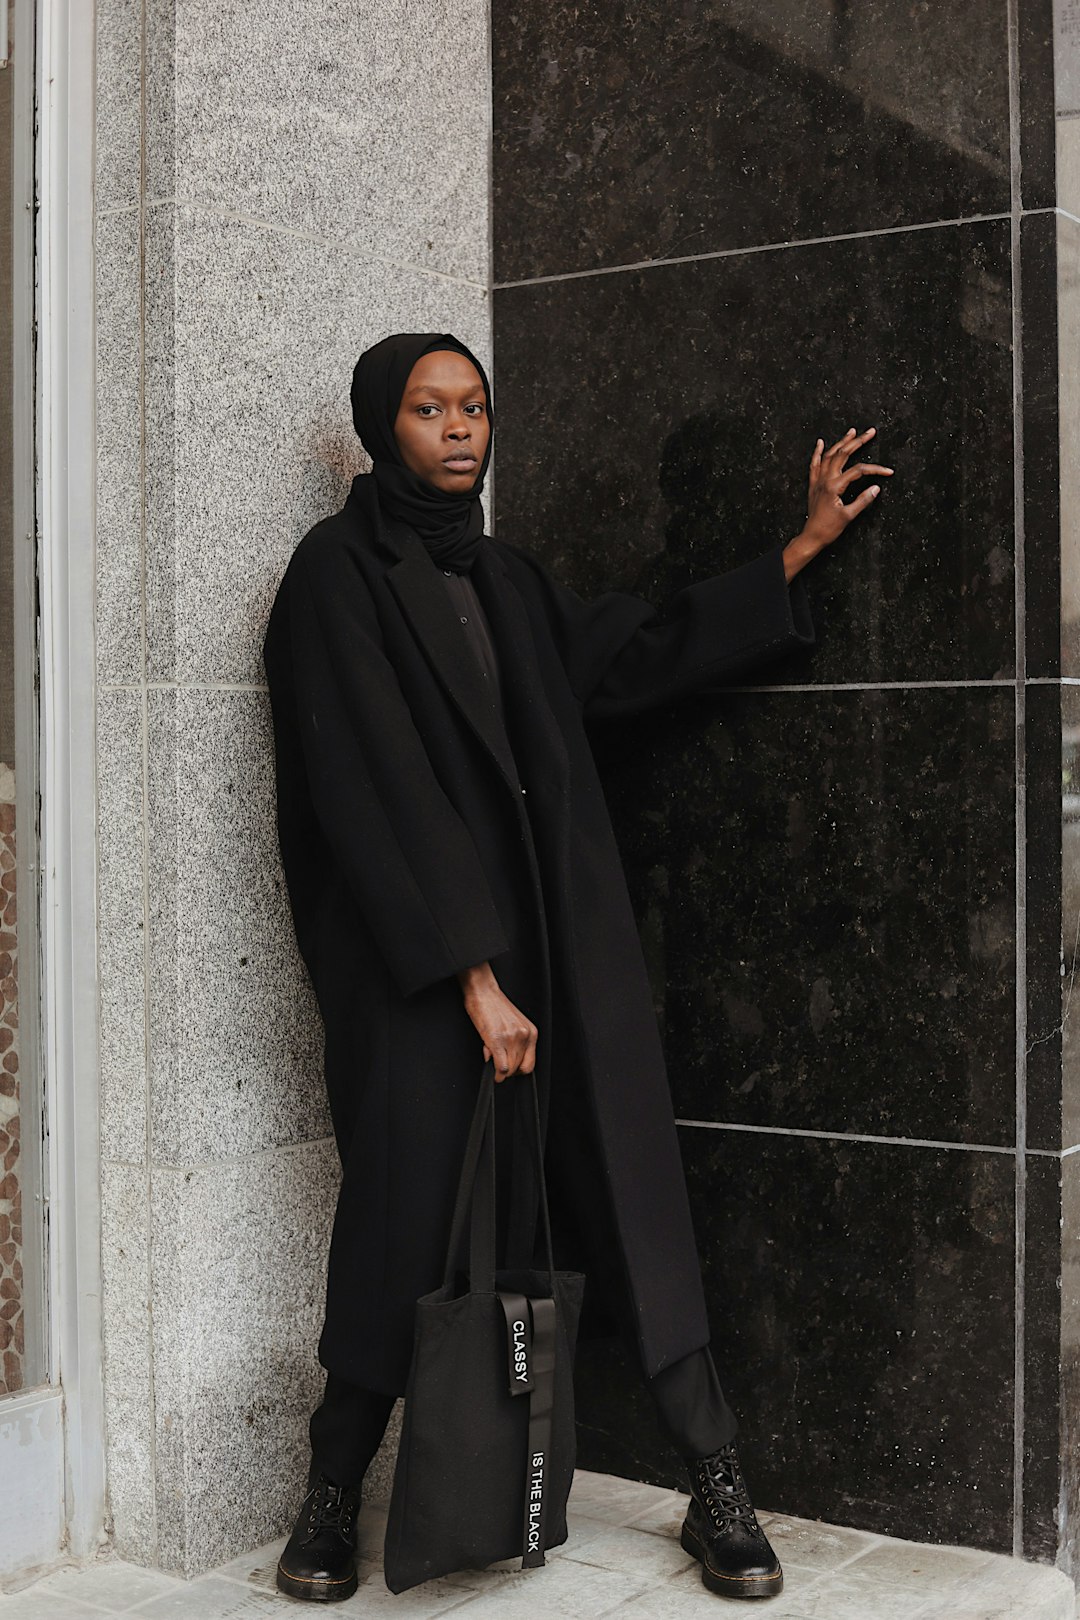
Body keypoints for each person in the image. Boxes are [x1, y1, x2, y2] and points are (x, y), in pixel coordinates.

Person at [261, 331, 893, 1604]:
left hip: (559, 945)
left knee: (635, 1198)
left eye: (475, 407)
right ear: (383, 424)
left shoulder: (502, 577)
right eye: (431, 408)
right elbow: (368, 790)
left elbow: (625, 656)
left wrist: (797, 553)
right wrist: (472, 979)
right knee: (402, 1224)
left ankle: (714, 1482)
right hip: (428, 975)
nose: (458, 429)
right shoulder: (338, 576)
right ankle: (332, 1495)